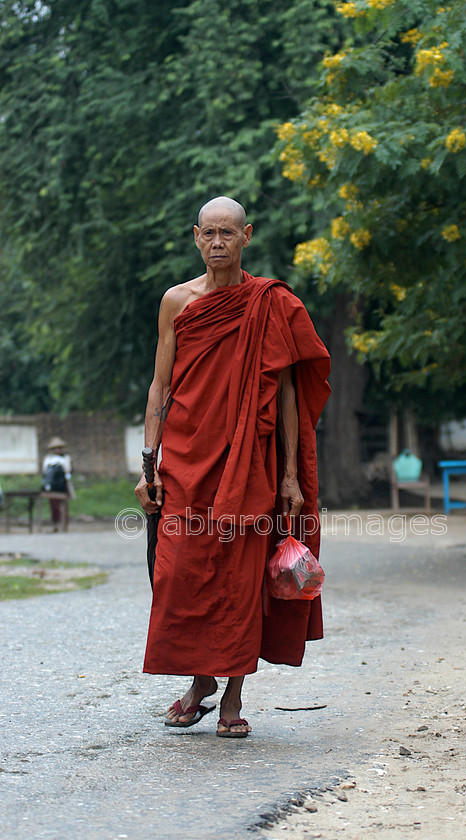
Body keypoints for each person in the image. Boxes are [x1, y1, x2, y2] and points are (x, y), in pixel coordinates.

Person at [135, 196, 330, 737]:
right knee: (180, 574)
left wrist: (291, 475)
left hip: (251, 464)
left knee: (241, 581)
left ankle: (231, 698)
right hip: (184, 461)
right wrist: (149, 464)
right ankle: (201, 681)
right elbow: (161, 385)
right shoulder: (176, 301)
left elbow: (289, 394)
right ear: (195, 237)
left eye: (229, 233)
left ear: (248, 235)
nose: (218, 242)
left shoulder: (272, 303)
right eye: (209, 234)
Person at [41, 437, 74, 532]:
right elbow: (45, 472)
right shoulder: (48, 459)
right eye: (56, 448)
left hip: (63, 485)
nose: (58, 450)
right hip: (52, 486)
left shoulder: (66, 458)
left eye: (59, 448)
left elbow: (69, 470)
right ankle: (55, 524)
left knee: (64, 505)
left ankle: (64, 525)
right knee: (53, 505)